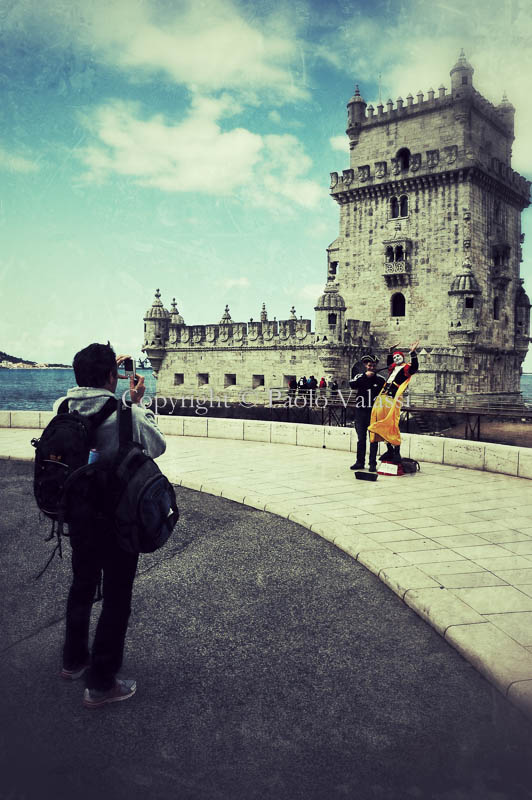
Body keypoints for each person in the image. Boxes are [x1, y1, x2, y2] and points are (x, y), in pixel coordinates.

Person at [54, 342, 166, 708]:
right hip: (118, 519)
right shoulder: (125, 414)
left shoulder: (62, 408)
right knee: (117, 598)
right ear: (111, 377)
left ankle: (73, 661)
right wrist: (137, 403)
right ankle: (102, 683)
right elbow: (157, 445)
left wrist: (107, 376)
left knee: (82, 586)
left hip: (79, 518)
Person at [368, 341, 419, 462]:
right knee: (380, 420)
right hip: (383, 397)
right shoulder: (392, 368)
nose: (396, 358)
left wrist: (413, 352)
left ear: (403, 357)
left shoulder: (406, 368)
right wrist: (390, 352)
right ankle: (389, 449)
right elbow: (389, 362)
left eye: (398, 356)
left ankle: (396, 452)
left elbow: (415, 367)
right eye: (395, 357)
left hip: (393, 398)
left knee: (392, 423)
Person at [348, 355, 385, 472]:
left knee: (373, 439)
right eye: (369, 365)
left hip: (374, 413)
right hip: (360, 412)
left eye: (373, 365)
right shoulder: (360, 377)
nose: (372, 367)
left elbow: (386, 393)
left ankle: (372, 463)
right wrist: (365, 376)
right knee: (361, 439)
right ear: (365, 365)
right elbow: (352, 384)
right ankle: (360, 462)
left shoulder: (380, 379)